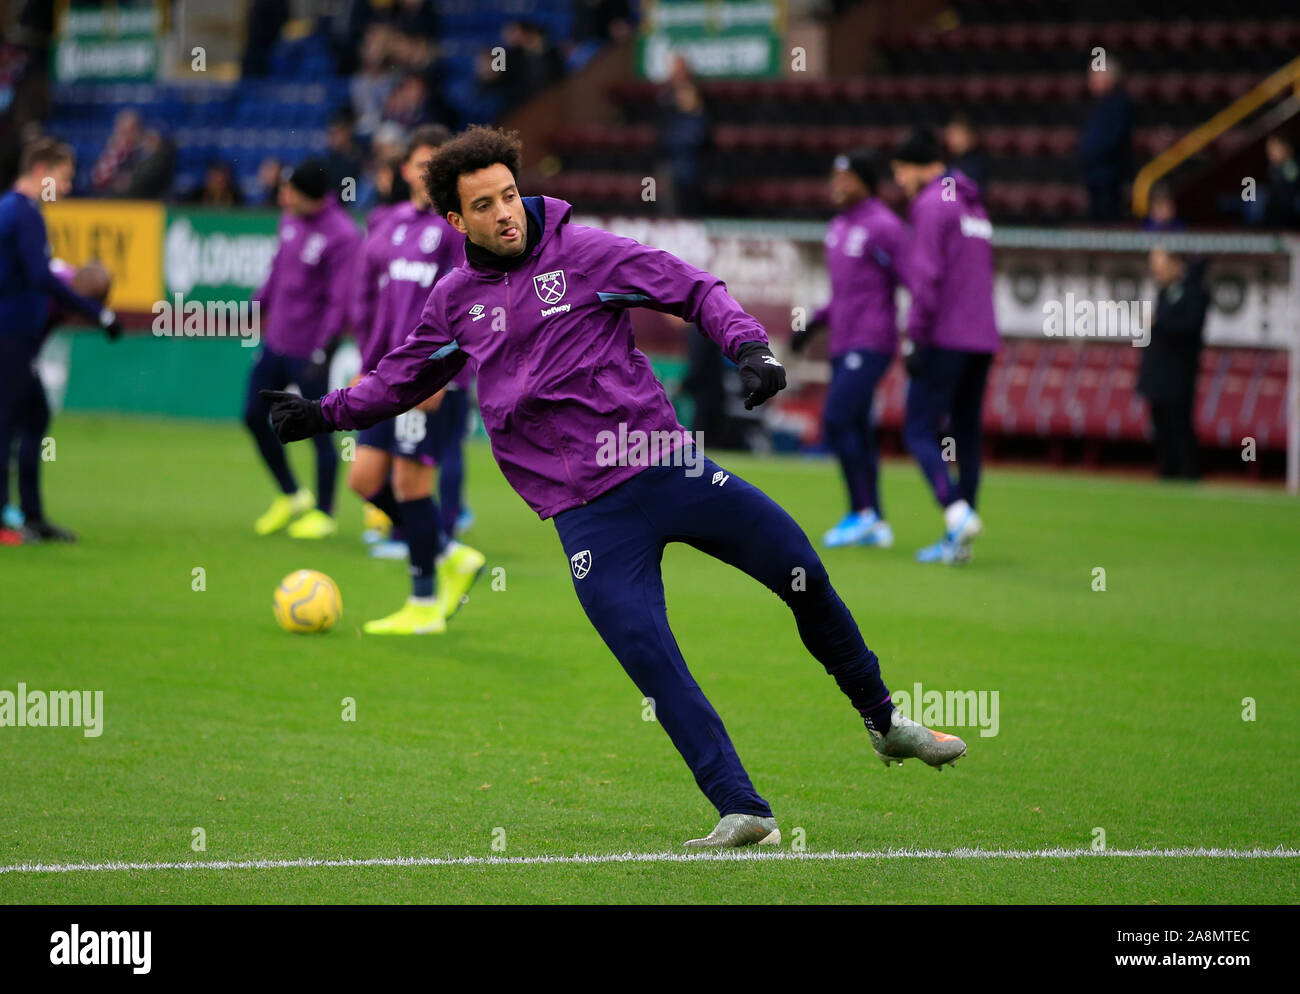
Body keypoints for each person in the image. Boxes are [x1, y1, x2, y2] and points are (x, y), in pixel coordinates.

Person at [262, 126, 967, 848]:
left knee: (800, 569)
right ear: (455, 220)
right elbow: (400, 376)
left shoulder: (586, 252)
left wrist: (748, 344)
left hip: (667, 465)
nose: (505, 213)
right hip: (586, 514)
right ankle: (742, 807)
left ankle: (885, 722)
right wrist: (324, 413)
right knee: (649, 654)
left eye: (509, 194)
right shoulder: (456, 303)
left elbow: (691, 288)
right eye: (484, 205)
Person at [348, 125, 484, 634]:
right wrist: (368, 361)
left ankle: (424, 602)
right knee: (364, 479)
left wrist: (444, 376)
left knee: (409, 482)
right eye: (420, 164)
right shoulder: (389, 225)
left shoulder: (456, 230)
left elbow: (470, 305)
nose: (427, 175)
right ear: (404, 170)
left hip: (430, 380)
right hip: (388, 374)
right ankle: (448, 552)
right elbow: (377, 304)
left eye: (437, 166)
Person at [0, 139, 121, 546]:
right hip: (9, 334)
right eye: (64, 178)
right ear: (41, 171)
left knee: (33, 417)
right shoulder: (24, 213)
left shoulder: (12, 211)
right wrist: (96, 312)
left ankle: (31, 518)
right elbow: (40, 278)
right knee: (8, 426)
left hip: (15, 334)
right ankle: (8, 522)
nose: (67, 188)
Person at [892, 127, 1000, 565]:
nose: (899, 182)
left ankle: (956, 512)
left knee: (918, 427)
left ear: (918, 167)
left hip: (945, 336)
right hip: (982, 337)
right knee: (967, 433)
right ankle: (961, 538)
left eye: (900, 171)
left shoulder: (931, 204)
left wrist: (914, 336)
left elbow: (926, 278)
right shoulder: (974, 204)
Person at [791, 149, 903, 549]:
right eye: (834, 176)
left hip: (872, 340)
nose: (836, 184)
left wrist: (921, 335)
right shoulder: (837, 228)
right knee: (858, 427)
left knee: (836, 417)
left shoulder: (884, 226)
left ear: (865, 180)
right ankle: (875, 520)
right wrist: (812, 324)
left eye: (846, 177)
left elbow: (911, 279)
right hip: (842, 340)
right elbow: (844, 294)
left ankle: (862, 512)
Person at [244, 159, 360, 539]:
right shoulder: (289, 220)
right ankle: (291, 494)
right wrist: (254, 307)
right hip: (277, 342)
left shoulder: (342, 235)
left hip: (310, 351)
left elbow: (339, 299)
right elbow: (277, 274)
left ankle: (325, 512)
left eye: (287, 189)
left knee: (319, 429)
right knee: (251, 416)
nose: (281, 196)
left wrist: (322, 349)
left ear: (306, 194)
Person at [1138, 248, 1208, 480]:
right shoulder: (1164, 292)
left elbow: (1188, 328)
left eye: (1159, 263)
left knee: (1180, 426)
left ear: (1177, 264)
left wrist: (1159, 323)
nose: (1155, 269)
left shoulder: (1194, 293)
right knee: (1161, 428)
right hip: (1158, 374)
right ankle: (1167, 474)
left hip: (1179, 374)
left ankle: (1188, 476)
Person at [1079, 58, 1134, 223]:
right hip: (1094, 172)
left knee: (1108, 219)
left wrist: (1093, 153)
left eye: (1096, 77)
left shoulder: (1119, 104)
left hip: (1110, 173)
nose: (1092, 81)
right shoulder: (1096, 105)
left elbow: (1112, 139)